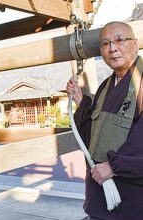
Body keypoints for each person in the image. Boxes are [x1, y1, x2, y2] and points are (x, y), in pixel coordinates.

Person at [66, 21, 143, 220]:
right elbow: (92, 135)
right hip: (100, 192)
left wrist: (114, 166)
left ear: (135, 44)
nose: (112, 48)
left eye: (119, 40)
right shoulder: (105, 86)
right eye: (105, 43)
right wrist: (81, 101)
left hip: (132, 198)